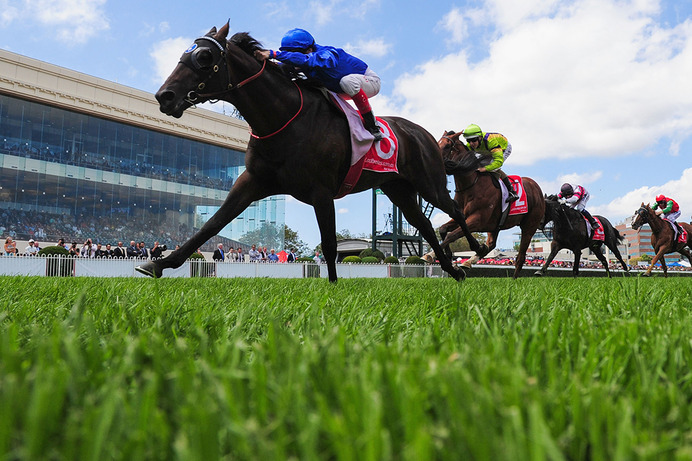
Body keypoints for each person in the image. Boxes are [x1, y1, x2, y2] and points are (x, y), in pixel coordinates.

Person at [255, 28, 384, 141]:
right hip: (338, 89)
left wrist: (274, 54)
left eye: (293, 53)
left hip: (369, 82)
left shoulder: (328, 54)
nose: (290, 57)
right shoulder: (304, 56)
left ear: (309, 49)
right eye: (287, 52)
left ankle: (372, 125)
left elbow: (307, 60)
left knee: (347, 82)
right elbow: (282, 67)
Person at [461, 123, 518, 202]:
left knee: (493, 167)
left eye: (474, 140)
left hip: (502, 148)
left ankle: (512, 191)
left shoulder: (491, 141)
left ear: (480, 137)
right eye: (468, 140)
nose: (471, 143)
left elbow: (498, 162)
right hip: (487, 150)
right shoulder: (470, 145)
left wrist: (485, 169)